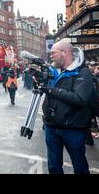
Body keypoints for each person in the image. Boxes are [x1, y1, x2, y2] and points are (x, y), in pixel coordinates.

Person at [39, 41, 93, 174]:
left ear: (65, 52)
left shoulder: (82, 72)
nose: (50, 55)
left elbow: (79, 99)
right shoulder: (53, 71)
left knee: (79, 167)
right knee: (54, 167)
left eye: (53, 53)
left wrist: (52, 90)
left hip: (73, 128)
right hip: (51, 126)